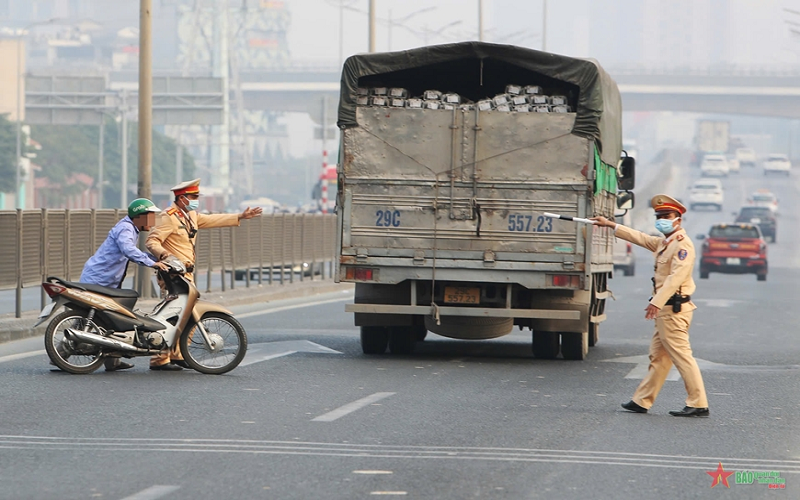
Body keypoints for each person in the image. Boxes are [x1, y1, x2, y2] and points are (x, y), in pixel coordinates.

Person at [591, 194, 709, 417]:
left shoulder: (683, 246)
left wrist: (656, 302)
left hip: (673, 310)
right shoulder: (666, 243)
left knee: (682, 356)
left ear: (678, 220)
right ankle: (642, 400)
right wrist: (610, 225)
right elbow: (641, 238)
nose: (662, 219)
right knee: (659, 357)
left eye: (667, 216)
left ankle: (698, 402)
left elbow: (675, 278)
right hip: (667, 310)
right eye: (659, 216)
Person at [145, 178, 262, 371]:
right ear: (182, 198)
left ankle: (177, 354)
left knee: (188, 314)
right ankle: (159, 359)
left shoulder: (190, 215)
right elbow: (152, 241)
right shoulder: (168, 217)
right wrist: (166, 255)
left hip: (186, 274)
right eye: (193, 197)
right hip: (172, 275)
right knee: (171, 315)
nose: (196, 200)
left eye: (197, 197)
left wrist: (240, 216)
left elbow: (211, 220)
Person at [77, 198, 170, 372]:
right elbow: (128, 250)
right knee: (108, 316)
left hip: (106, 280)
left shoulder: (130, 228)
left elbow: (135, 252)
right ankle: (63, 353)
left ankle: (113, 361)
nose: (152, 221)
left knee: (111, 319)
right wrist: (152, 264)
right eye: (150, 216)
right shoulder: (126, 228)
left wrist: (156, 259)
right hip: (98, 280)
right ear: (139, 217)